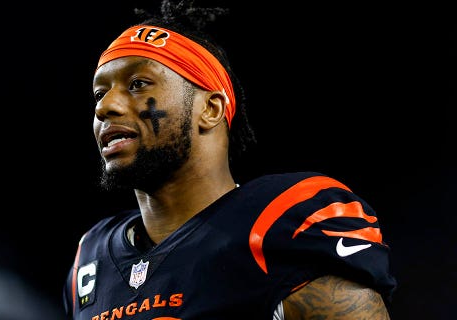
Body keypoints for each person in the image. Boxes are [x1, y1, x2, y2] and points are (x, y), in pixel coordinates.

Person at [62, 1, 397, 319]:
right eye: (99, 93)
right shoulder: (89, 261)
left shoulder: (280, 222)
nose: (104, 107)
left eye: (137, 84)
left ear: (210, 109)